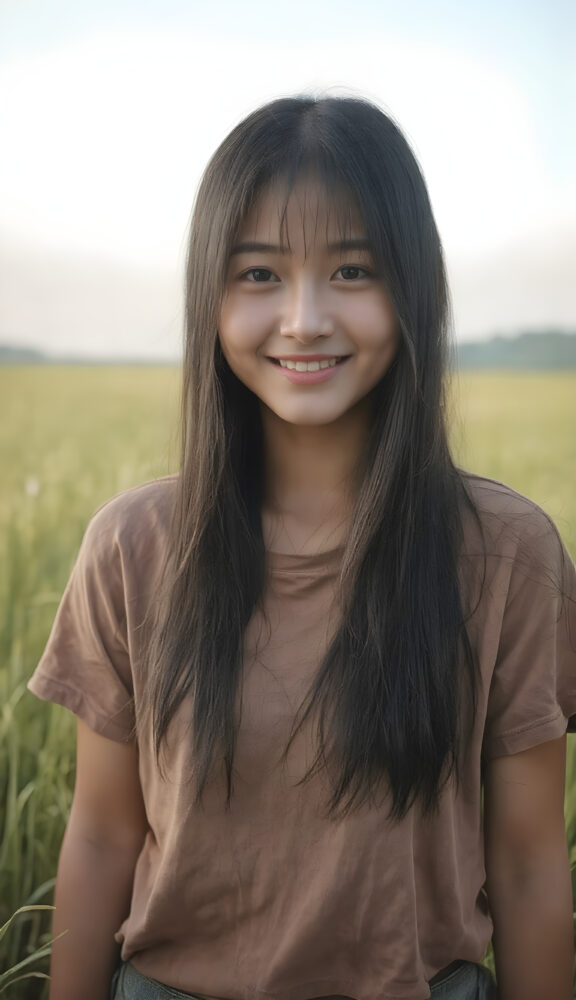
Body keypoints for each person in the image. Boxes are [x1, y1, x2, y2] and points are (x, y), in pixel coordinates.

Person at [29, 95, 576, 1000]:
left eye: (353, 270)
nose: (304, 318)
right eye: (259, 273)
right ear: (209, 297)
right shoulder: (133, 547)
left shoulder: (507, 556)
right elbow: (100, 835)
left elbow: (527, 865)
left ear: (413, 289)